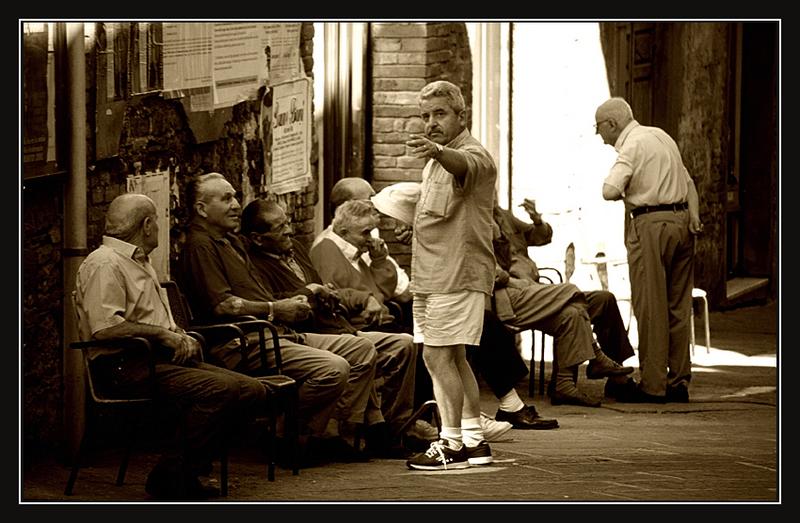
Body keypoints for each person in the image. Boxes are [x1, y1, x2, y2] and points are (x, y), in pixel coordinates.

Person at [74, 193, 266, 500]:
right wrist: (163, 336)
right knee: (220, 390)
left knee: (253, 391)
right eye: (158, 222)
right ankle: (173, 476)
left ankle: (187, 469)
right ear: (148, 225)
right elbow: (104, 327)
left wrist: (179, 334)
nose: (160, 229)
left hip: (155, 359)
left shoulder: (139, 260)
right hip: (122, 365)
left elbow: (154, 317)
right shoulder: (105, 263)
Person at [179, 172, 376, 465]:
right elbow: (223, 306)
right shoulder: (201, 246)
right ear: (201, 209)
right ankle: (284, 436)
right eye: (226, 198)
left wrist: (294, 299)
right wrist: (275, 309)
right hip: (241, 341)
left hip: (275, 332)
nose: (236, 205)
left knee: (362, 350)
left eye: (234, 196)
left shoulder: (229, 241)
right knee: (333, 368)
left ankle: (326, 436)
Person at [239, 198, 434, 456]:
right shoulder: (259, 263)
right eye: (280, 227)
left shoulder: (296, 249)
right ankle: (347, 432)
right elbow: (283, 305)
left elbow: (350, 291)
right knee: (363, 348)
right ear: (259, 238)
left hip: (340, 322)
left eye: (287, 222)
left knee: (404, 343)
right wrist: (316, 293)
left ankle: (397, 426)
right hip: (317, 329)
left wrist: (371, 278)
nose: (289, 230)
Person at [372, 183, 559, 431]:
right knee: (447, 344)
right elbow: (381, 290)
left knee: (477, 328)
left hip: (426, 296)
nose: (384, 224)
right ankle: (462, 419)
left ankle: (485, 413)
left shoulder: (488, 217)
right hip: (393, 309)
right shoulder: (349, 247)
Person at [400, 80, 497, 471]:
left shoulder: (472, 155)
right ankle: (474, 441)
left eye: (439, 114)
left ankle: (451, 443)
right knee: (453, 358)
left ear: (461, 115)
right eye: (425, 116)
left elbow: (467, 166)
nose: (430, 123)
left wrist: (439, 151)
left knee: (437, 358)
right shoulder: (435, 164)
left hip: (455, 275)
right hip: (432, 275)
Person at [596, 97, 701, 403]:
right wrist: (693, 216)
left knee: (651, 306)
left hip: (651, 224)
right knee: (679, 305)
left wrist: (626, 189)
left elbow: (609, 191)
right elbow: (688, 181)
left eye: (599, 128)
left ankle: (653, 385)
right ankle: (679, 382)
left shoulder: (631, 146)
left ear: (613, 124)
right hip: (682, 222)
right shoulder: (661, 136)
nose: (599, 136)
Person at [492, 200, 638, 400]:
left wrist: (537, 220)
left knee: (603, 300)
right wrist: (512, 281)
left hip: (536, 290)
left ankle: (614, 378)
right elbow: (487, 271)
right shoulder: (475, 221)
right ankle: (596, 359)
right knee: (571, 295)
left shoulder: (504, 217)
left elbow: (541, 237)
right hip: (513, 293)